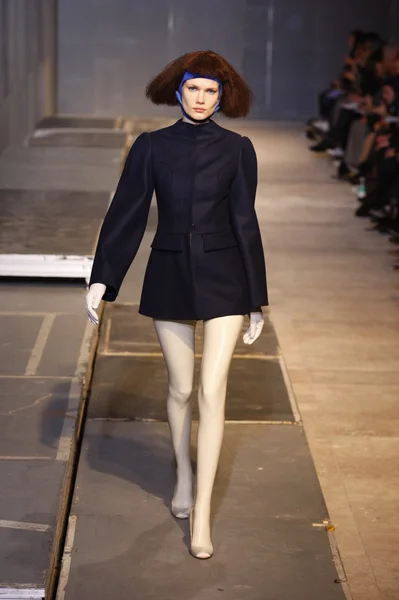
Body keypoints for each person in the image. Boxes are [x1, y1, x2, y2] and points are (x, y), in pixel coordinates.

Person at [85, 50, 268, 559]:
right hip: (168, 271)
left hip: (225, 276)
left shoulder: (238, 149)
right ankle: (183, 475)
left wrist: (257, 298)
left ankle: (203, 516)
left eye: (212, 91)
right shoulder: (150, 148)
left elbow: (245, 223)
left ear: (222, 95)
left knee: (212, 391)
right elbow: (126, 212)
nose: (203, 99)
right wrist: (104, 278)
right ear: (179, 90)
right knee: (182, 387)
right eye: (194, 89)